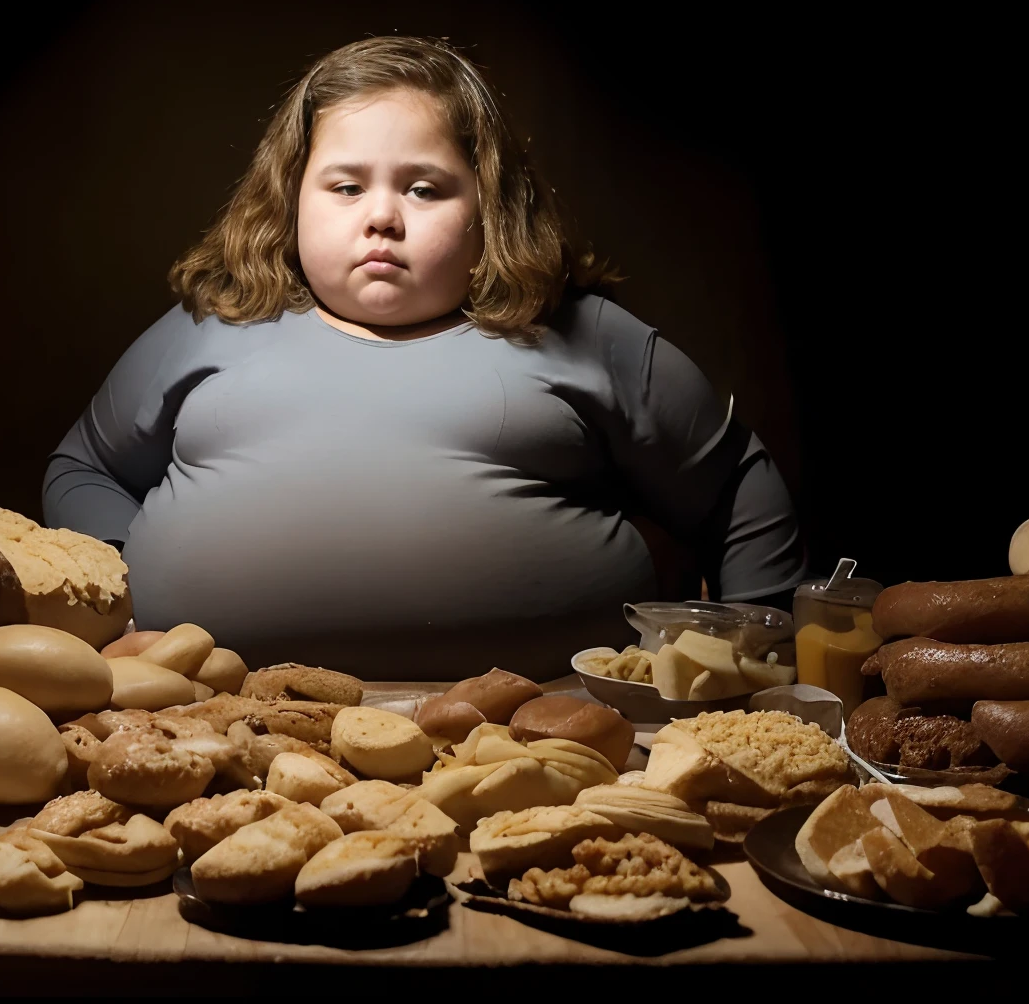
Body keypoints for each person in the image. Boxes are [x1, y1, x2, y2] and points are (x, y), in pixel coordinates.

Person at [43, 36, 806, 680]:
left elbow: (737, 483)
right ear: (291, 200)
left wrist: (756, 665)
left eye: (424, 188)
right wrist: (125, 585)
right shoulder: (212, 325)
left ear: (488, 208)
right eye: (344, 187)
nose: (381, 216)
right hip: (222, 731)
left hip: (540, 735)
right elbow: (82, 469)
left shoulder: (584, 335)